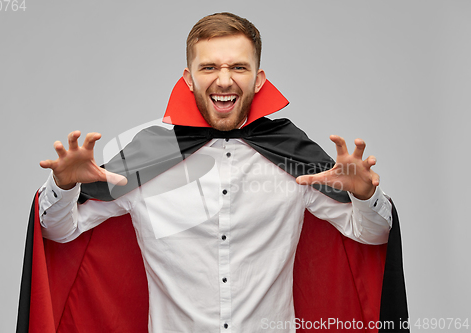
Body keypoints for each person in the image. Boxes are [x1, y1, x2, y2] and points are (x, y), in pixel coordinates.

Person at [25, 12, 406, 333]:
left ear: (258, 79)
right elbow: (60, 232)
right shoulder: (149, 158)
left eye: (238, 67)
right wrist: (64, 185)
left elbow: (371, 236)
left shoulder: (293, 160)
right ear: (189, 78)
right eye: (209, 67)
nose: (224, 80)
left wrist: (364, 195)